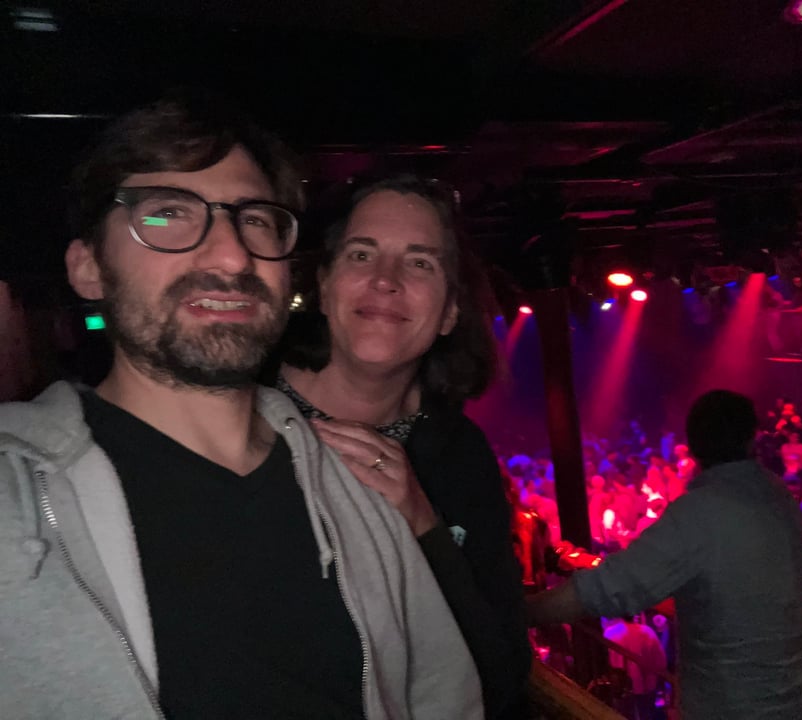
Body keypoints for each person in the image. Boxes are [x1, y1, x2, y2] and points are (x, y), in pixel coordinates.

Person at [0, 96, 482, 719]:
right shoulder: (18, 501)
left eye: (255, 220)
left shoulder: (358, 492)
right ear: (88, 267)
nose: (232, 256)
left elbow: (447, 698)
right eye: (168, 212)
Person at [275, 174, 530, 718]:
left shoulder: (461, 456)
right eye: (362, 254)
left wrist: (423, 525)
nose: (385, 280)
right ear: (324, 285)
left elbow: (502, 671)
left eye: (420, 263)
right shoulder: (235, 412)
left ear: (450, 312)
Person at [527, 389, 802, 719]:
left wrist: (523, 612)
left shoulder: (698, 512)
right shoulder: (780, 498)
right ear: (751, 439)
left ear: (694, 447)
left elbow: (610, 588)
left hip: (739, 709)